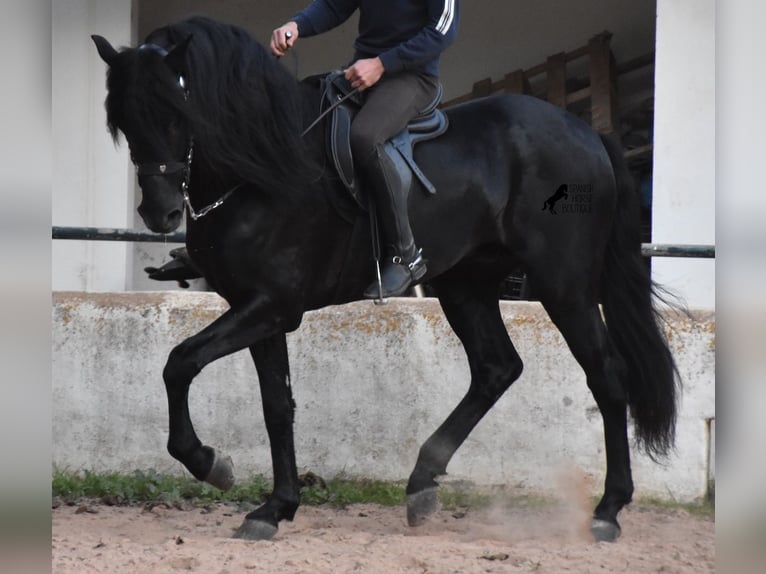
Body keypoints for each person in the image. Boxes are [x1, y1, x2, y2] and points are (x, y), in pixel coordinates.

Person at [271, 1, 460, 298]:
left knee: (365, 136)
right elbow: (335, 6)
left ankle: (405, 255)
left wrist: (383, 63)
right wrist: (297, 25)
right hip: (362, 71)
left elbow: (442, 31)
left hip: (412, 77)